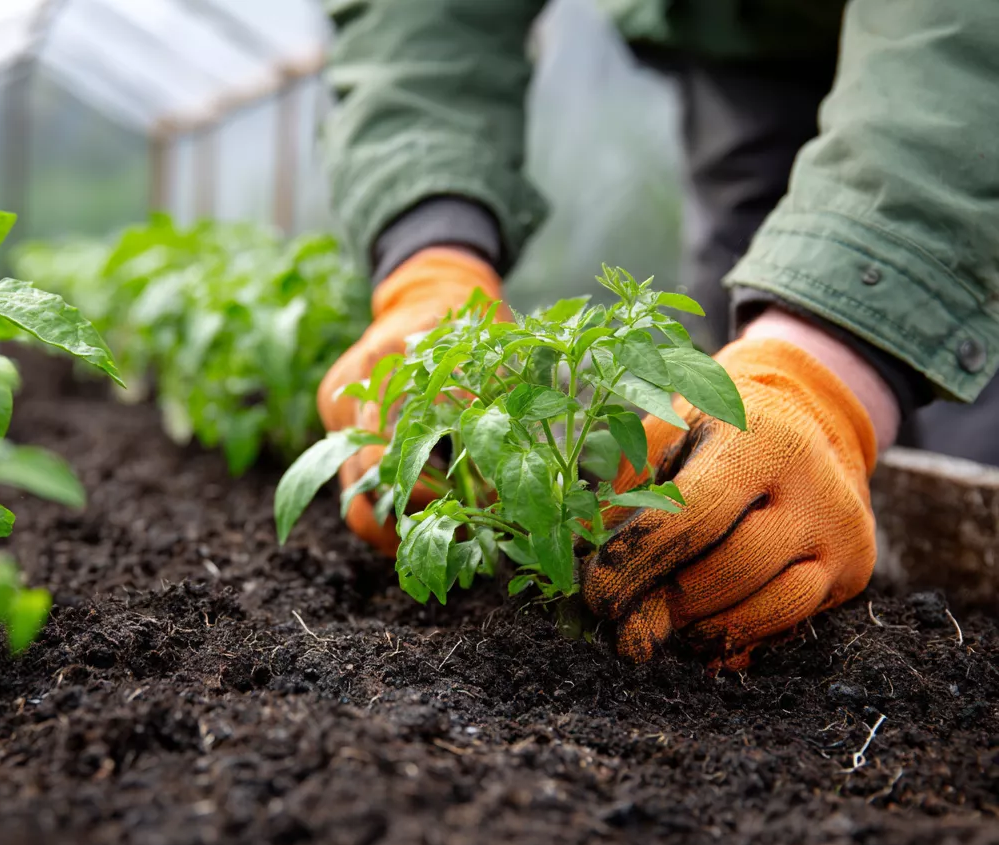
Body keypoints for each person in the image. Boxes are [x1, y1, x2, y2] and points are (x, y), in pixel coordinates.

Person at [315, 0, 999, 668]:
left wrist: (833, 357)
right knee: (723, 464)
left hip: (963, 86)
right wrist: (432, 255)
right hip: (746, 38)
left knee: (951, 426)